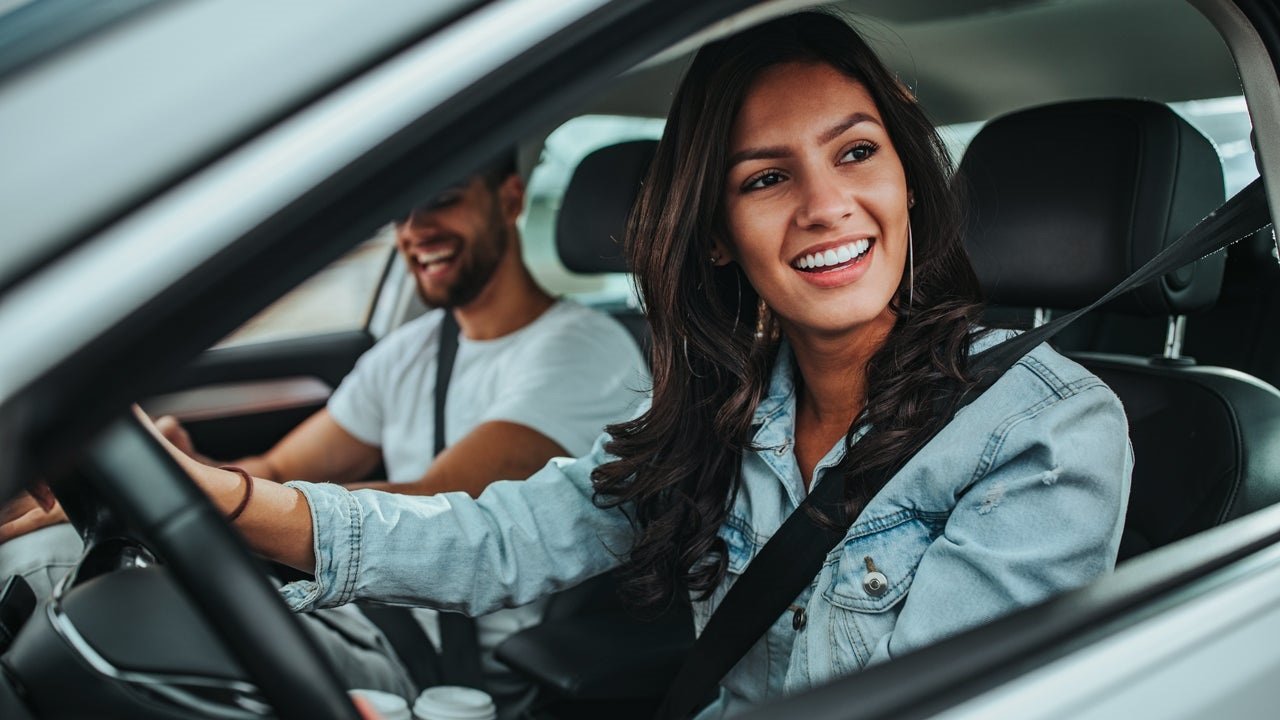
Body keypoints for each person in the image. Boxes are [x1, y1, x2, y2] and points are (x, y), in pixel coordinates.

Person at [138, 11, 1128, 717]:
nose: (825, 206)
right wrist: (220, 503)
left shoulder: (1040, 430)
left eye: (856, 153)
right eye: (767, 177)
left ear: (907, 180)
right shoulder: (720, 416)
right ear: (714, 236)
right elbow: (498, 540)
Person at [0, 153, 648, 715]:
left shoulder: (582, 353)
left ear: (508, 198)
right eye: (401, 212)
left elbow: (439, 501)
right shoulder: (414, 347)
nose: (416, 231)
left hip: (437, 666)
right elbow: (278, 466)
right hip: (344, 603)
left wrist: (198, 495)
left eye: (443, 200)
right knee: (59, 553)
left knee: (50, 569)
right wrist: (176, 468)